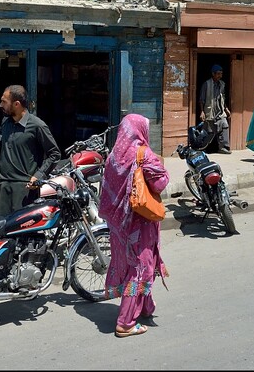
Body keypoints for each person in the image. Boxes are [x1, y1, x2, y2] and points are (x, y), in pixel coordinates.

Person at [100, 113, 170, 338]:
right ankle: (126, 323)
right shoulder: (143, 154)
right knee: (140, 269)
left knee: (132, 264)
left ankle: (145, 307)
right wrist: (163, 167)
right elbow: (160, 184)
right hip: (139, 223)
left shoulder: (113, 156)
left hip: (119, 224)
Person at [0, 85, 61, 217]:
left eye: (4, 101)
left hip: (23, 188)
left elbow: (54, 154)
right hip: (1, 185)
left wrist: (39, 176)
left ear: (16, 104)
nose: (0, 105)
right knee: (1, 229)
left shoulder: (37, 126)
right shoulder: (6, 122)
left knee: (23, 232)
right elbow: (5, 140)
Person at [198, 64, 231, 154]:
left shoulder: (222, 84)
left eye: (221, 74)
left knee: (224, 126)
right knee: (208, 131)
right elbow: (201, 99)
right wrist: (202, 112)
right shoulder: (206, 84)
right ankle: (203, 148)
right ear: (213, 74)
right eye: (218, 74)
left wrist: (226, 108)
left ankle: (223, 147)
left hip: (220, 111)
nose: (220, 76)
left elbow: (223, 98)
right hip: (209, 111)